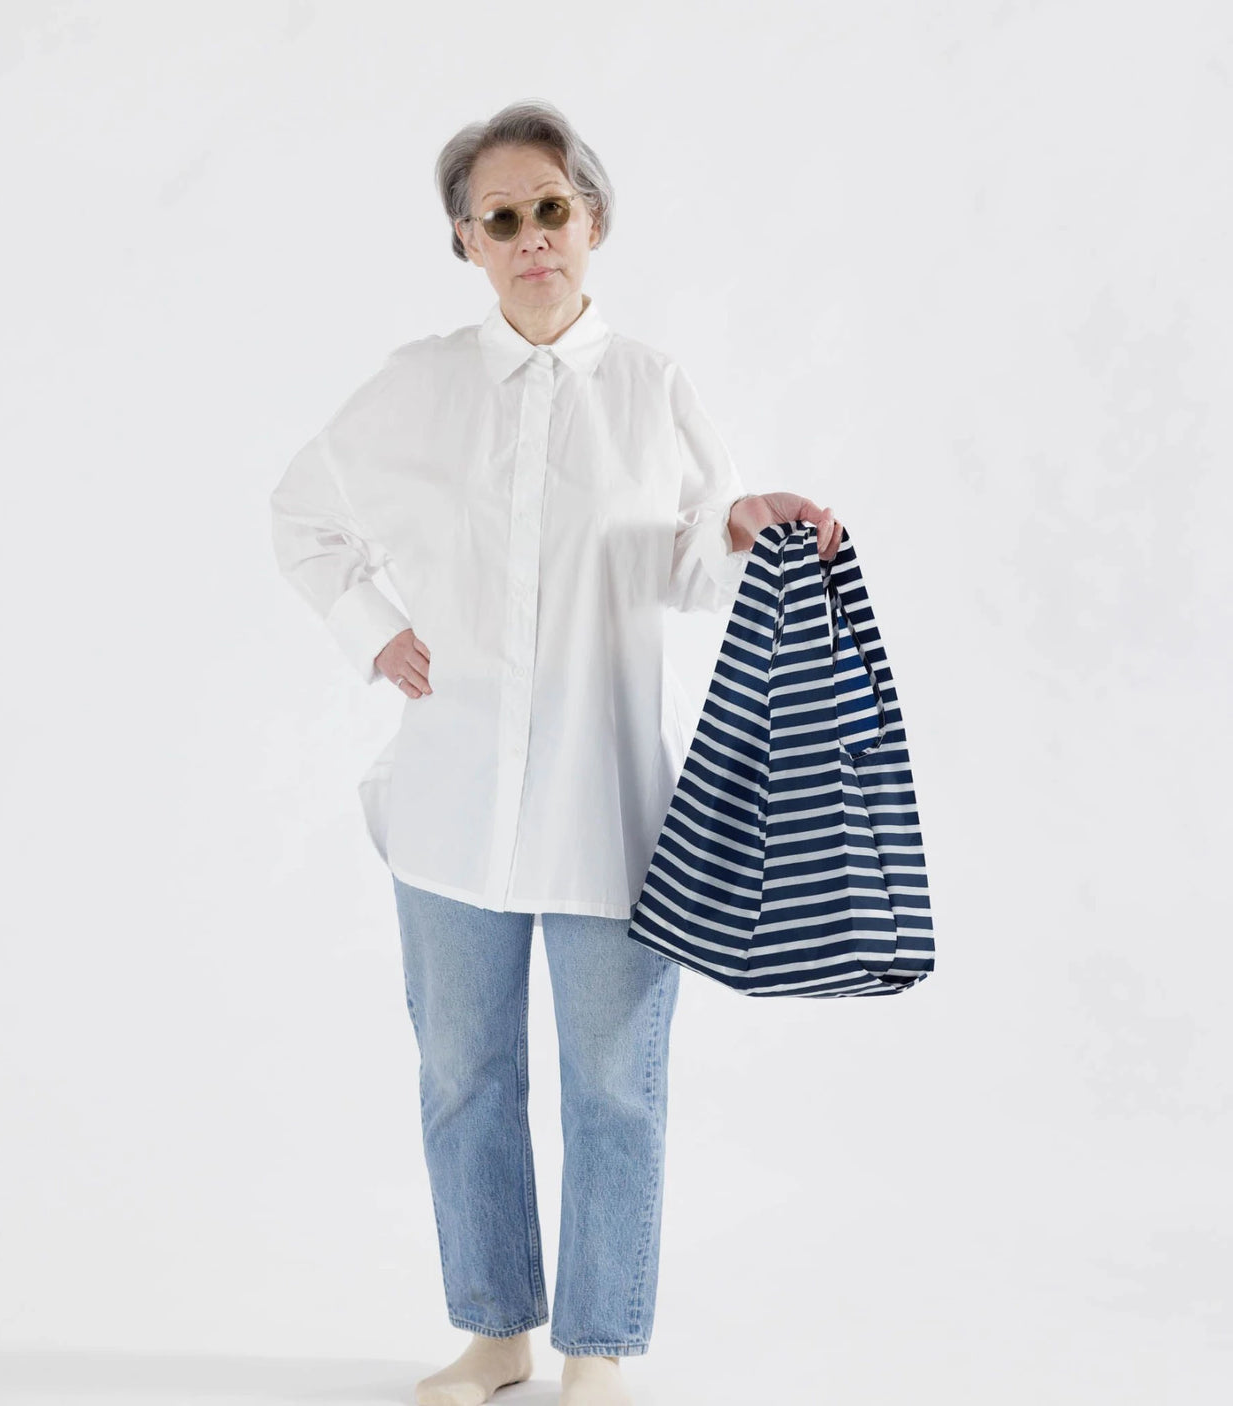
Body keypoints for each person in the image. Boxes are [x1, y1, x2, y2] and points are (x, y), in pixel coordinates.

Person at [270, 99, 842, 1406]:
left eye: (553, 210)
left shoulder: (653, 389)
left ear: (592, 222)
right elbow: (301, 513)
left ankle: (596, 1350)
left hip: (609, 809)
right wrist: (375, 630)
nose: (533, 238)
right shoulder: (415, 386)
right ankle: (493, 1334)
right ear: (464, 241)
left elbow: (691, 565)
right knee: (463, 1072)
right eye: (502, 217)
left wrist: (745, 529)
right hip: (447, 805)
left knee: (612, 1087)